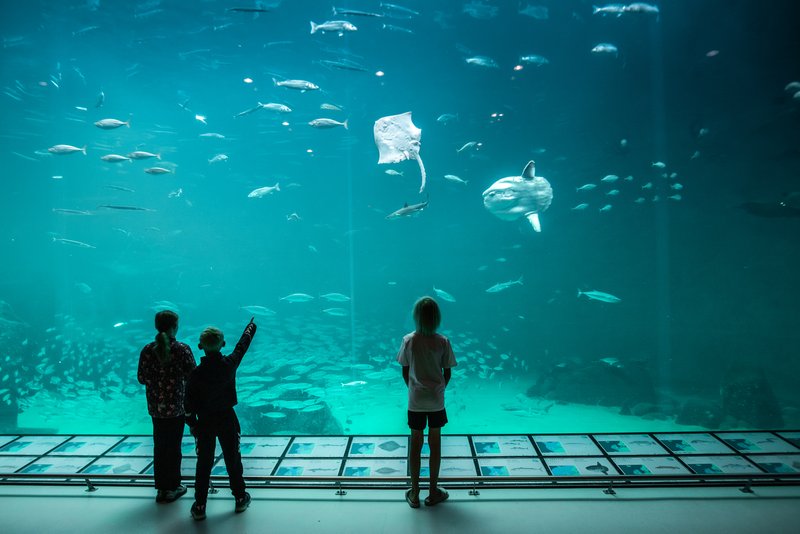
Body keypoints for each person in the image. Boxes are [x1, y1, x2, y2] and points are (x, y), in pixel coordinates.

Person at [185, 318, 257, 521]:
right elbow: (242, 347)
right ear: (223, 344)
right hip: (227, 418)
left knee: (204, 463)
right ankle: (240, 497)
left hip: (204, 421)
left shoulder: (195, 374)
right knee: (232, 458)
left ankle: (200, 505)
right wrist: (250, 327)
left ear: (200, 347)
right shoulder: (229, 364)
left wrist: (192, 424)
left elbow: (188, 403)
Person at [397, 297, 457, 508]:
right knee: (435, 444)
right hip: (436, 400)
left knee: (415, 443)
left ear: (415, 317)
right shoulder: (443, 341)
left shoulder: (408, 340)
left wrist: (414, 389)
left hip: (416, 400)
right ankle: (433, 492)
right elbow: (447, 371)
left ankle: (414, 493)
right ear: (437, 318)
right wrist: (438, 390)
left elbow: (404, 369)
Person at [137, 310, 196, 503]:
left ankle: (161, 488)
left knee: (160, 446)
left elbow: (141, 378)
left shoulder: (147, 349)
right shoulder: (182, 349)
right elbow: (193, 377)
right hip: (176, 407)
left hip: (156, 408)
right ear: (175, 326)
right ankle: (173, 487)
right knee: (173, 447)